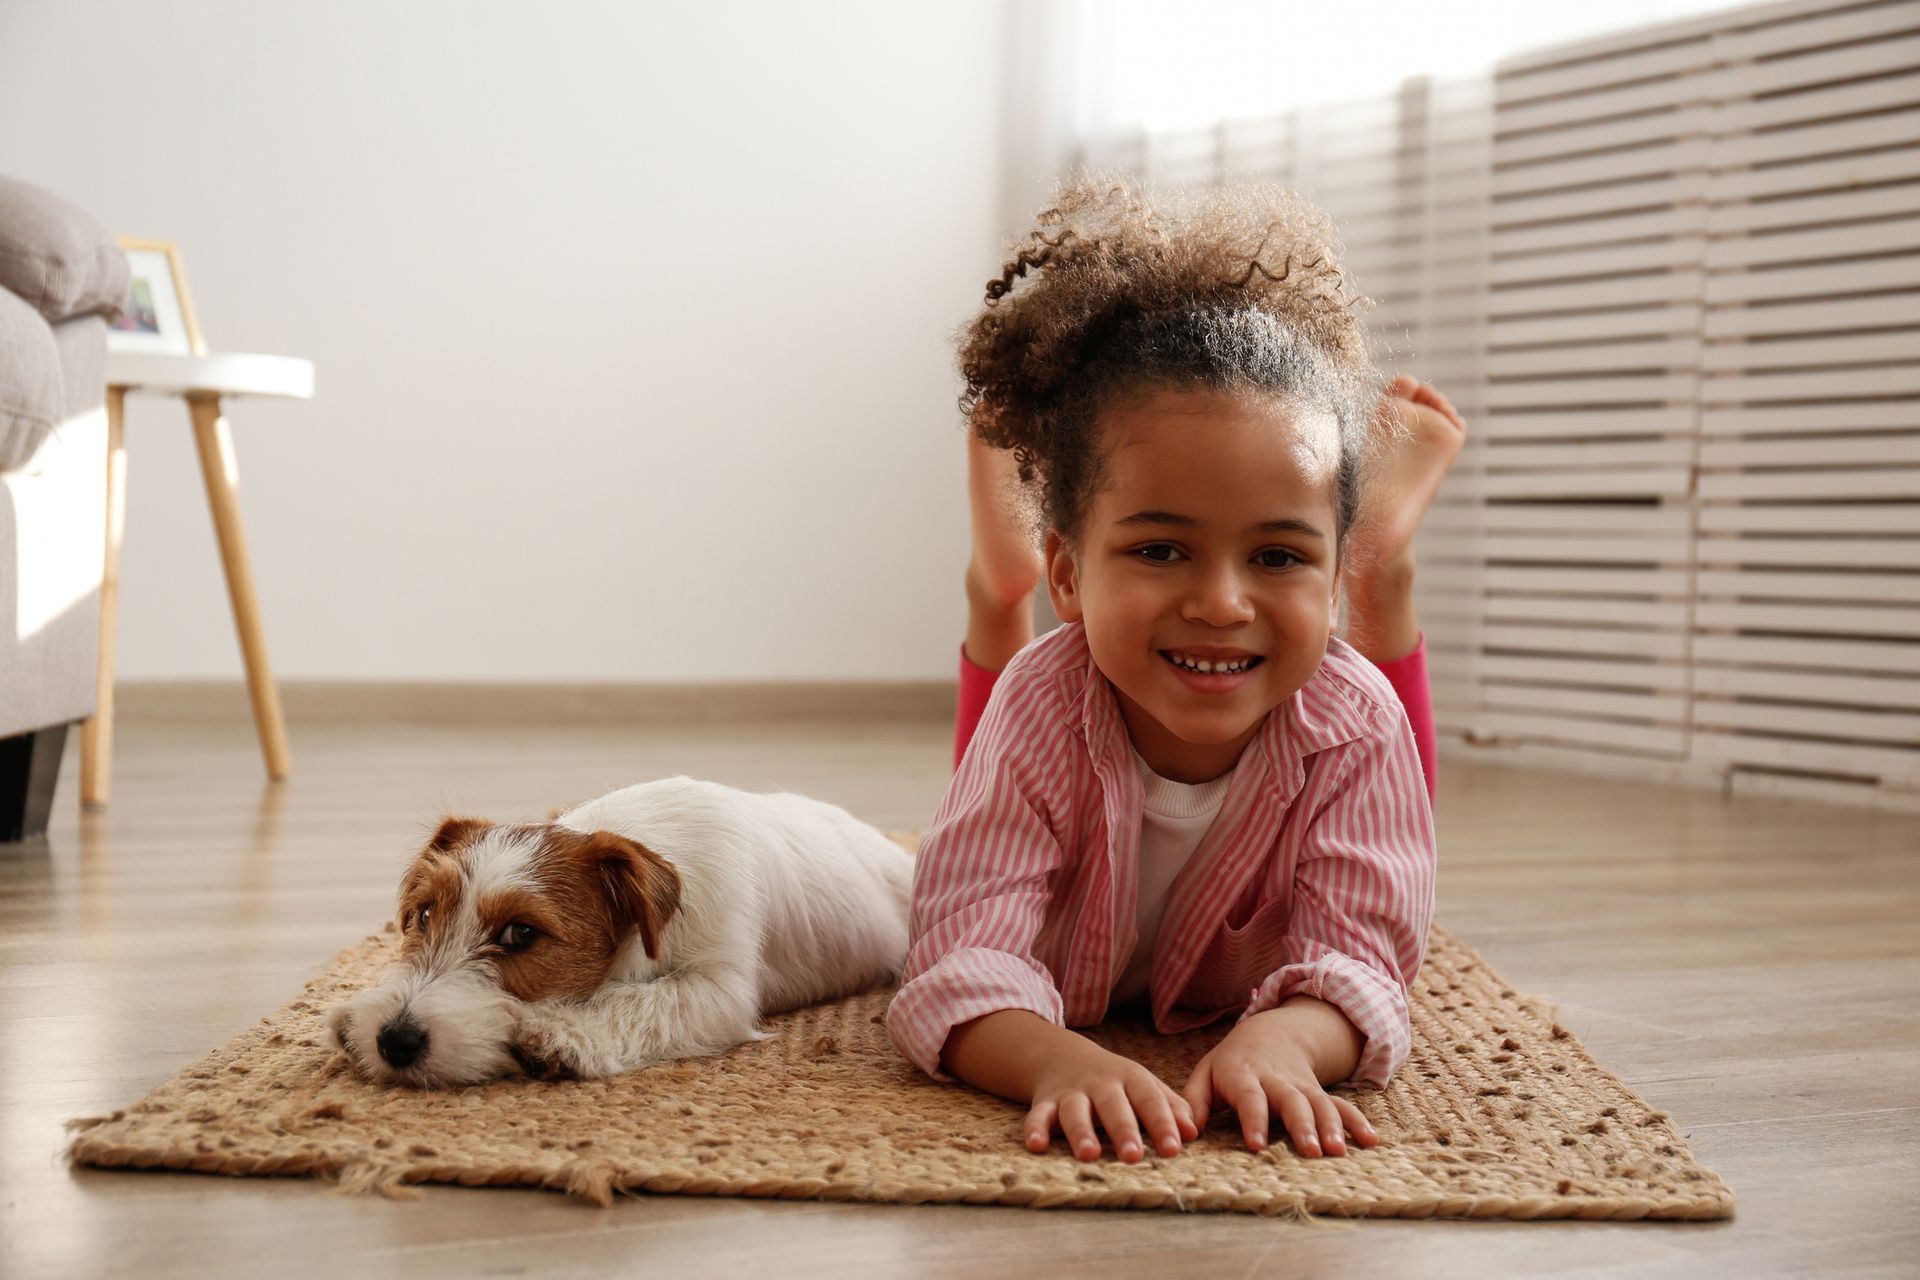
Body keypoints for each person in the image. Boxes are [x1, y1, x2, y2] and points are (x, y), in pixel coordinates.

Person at [887, 177, 1466, 1167]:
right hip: (1052, 722)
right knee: (1011, 712)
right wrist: (1051, 1059)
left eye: (1280, 556)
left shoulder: (1352, 718)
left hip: (1332, 698)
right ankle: (1002, 582)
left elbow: (1367, 956)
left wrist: (1288, 1033)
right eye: (1160, 550)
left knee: (1388, 782)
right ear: (1068, 572)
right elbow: (952, 956)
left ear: (1328, 583)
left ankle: (1379, 563)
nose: (1221, 602)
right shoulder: (1042, 698)